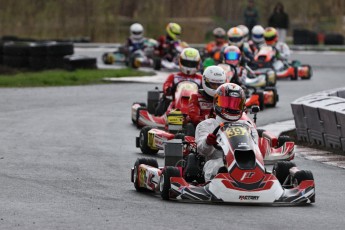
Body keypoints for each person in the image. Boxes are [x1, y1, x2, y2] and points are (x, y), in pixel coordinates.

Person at [195, 83, 259, 181]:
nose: (231, 107)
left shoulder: (248, 126)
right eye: (227, 103)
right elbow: (202, 151)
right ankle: (225, 180)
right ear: (217, 102)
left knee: (258, 168)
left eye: (235, 104)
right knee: (220, 168)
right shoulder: (206, 125)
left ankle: (256, 178)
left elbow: (255, 149)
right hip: (216, 162)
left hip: (245, 163)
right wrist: (208, 142)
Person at [155, 47, 202, 116]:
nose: (189, 66)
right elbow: (166, 85)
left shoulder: (200, 78)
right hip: (174, 102)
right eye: (186, 63)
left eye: (192, 64)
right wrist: (168, 88)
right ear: (181, 61)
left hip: (195, 104)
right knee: (165, 99)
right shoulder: (173, 76)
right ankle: (164, 116)